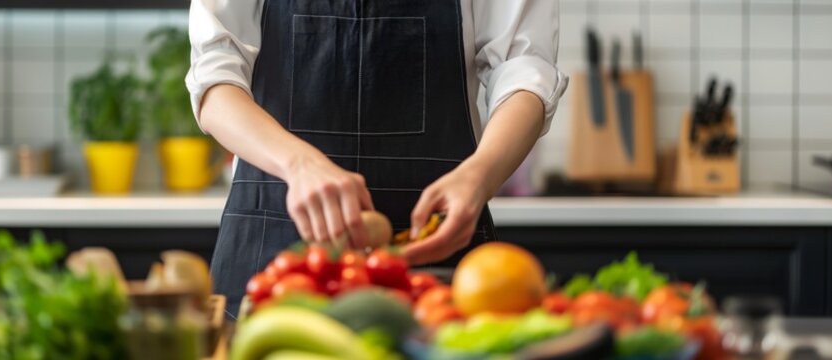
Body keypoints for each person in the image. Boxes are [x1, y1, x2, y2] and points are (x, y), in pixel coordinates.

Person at [187, 0, 567, 316]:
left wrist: (480, 175)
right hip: (270, 256)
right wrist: (299, 164)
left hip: (435, 256)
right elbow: (214, 79)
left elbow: (524, 70)